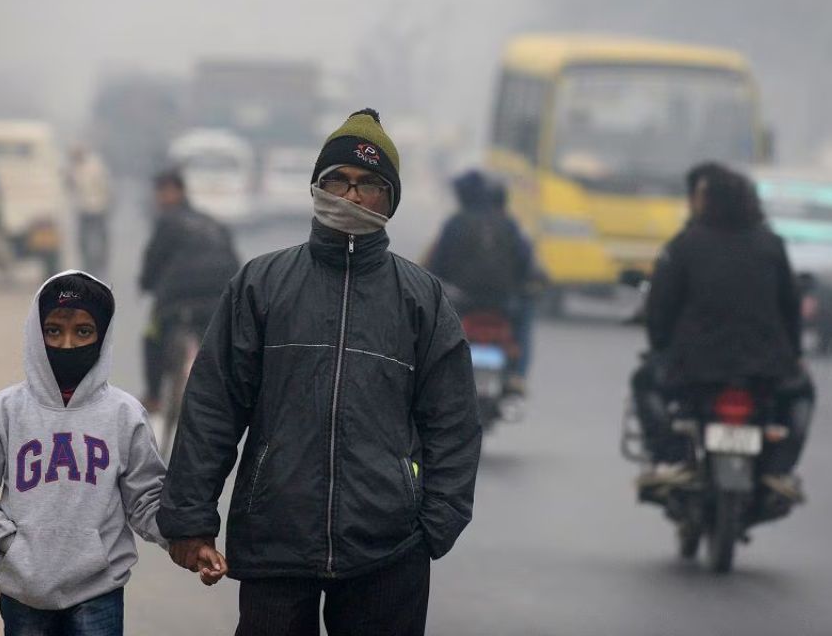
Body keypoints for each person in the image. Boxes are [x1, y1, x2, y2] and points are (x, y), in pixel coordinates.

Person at [157, 109, 482, 636]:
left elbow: (454, 422)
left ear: (390, 200)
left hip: (388, 550)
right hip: (275, 540)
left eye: (369, 185)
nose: (351, 197)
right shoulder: (261, 285)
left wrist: (434, 526)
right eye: (337, 181)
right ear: (317, 188)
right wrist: (190, 520)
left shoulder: (421, 299)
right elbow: (213, 405)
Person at [0, 271, 166, 636]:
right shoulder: (5, 411)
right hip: (24, 593)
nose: (66, 344)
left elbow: (145, 500)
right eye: (53, 331)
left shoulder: (124, 415)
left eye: (83, 331)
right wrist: (9, 543)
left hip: (99, 589)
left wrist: (186, 539)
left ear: (102, 336)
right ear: (36, 333)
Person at [635, 163, 813, 501]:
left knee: (644, 381)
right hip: (766, 367)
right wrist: (795, 356)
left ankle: (671, 458)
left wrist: (661, 348)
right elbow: (791, 308)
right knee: (803, 394)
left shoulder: (685, 245)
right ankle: (779, 468)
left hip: (695, 367)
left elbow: (660, 308)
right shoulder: (771, 246)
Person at [137, 167, 240, 414]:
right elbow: (235, 263)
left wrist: (145, 284)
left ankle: (154, 397)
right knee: (220, 343)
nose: (161, 197)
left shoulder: (167, 221)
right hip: (219, 294)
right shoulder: (212, 222)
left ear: (177, 191)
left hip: (178, 295)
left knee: (152, 334)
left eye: (164, 191)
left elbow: (152, 263)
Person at [426, 170, 540, 392]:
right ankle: (518, 375)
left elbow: (436, 265)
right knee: (525, 316)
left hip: (460, 301)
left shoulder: (456, 222)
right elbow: (526, 263)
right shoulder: (508, 224)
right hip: (503, 302)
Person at [68, 146, 113, 275]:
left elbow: (105, 184)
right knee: (83, 238)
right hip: (83, 208)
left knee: (101, 236)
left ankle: (101, 261)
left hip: (98, 206)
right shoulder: (73, 168)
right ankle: (87, 262)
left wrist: (106, 201)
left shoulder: (95, 166)